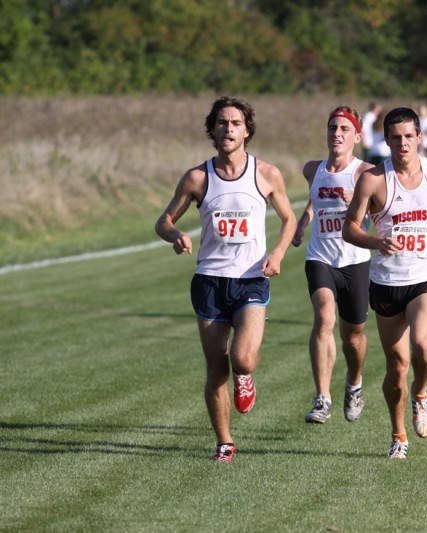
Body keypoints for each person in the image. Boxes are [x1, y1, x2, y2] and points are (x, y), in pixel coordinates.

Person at [154, 96, 297, 463]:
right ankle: (225, 442)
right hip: (210, 281)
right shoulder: (197, 177)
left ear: (247, 131)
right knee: (217, 367)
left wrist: (278, 254)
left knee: (243, 359)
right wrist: (176, 236)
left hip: (251, 278)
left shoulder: (266, 174)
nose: (228, 129)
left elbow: (289, 219)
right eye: (221, 123)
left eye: (235, 123)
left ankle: (246, 377)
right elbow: (163, 221)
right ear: (213, 129)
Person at [343, 107, 427, 459]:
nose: (402, 143)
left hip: (426, 278)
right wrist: (375, 242)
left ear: (419, 138)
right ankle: (398, 435)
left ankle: (422, 393)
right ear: (386, 140)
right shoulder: (372, 179)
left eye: (409, 136)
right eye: (395, 137)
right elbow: (350, 228)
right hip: (386, 282)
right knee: (396, 368)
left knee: (424, 346)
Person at [292, 106, 374, 424]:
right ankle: (322, 397)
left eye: (344, 128)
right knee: (324, 317)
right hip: (320, 256)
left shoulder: (366, 172)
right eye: (332, 128)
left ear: (356, 136)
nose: (336, 133)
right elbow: (318, 196)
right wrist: (303, 222)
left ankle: (354, 382)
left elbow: (382, 207)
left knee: (353, 336)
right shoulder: (312, 169)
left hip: (355, 260)